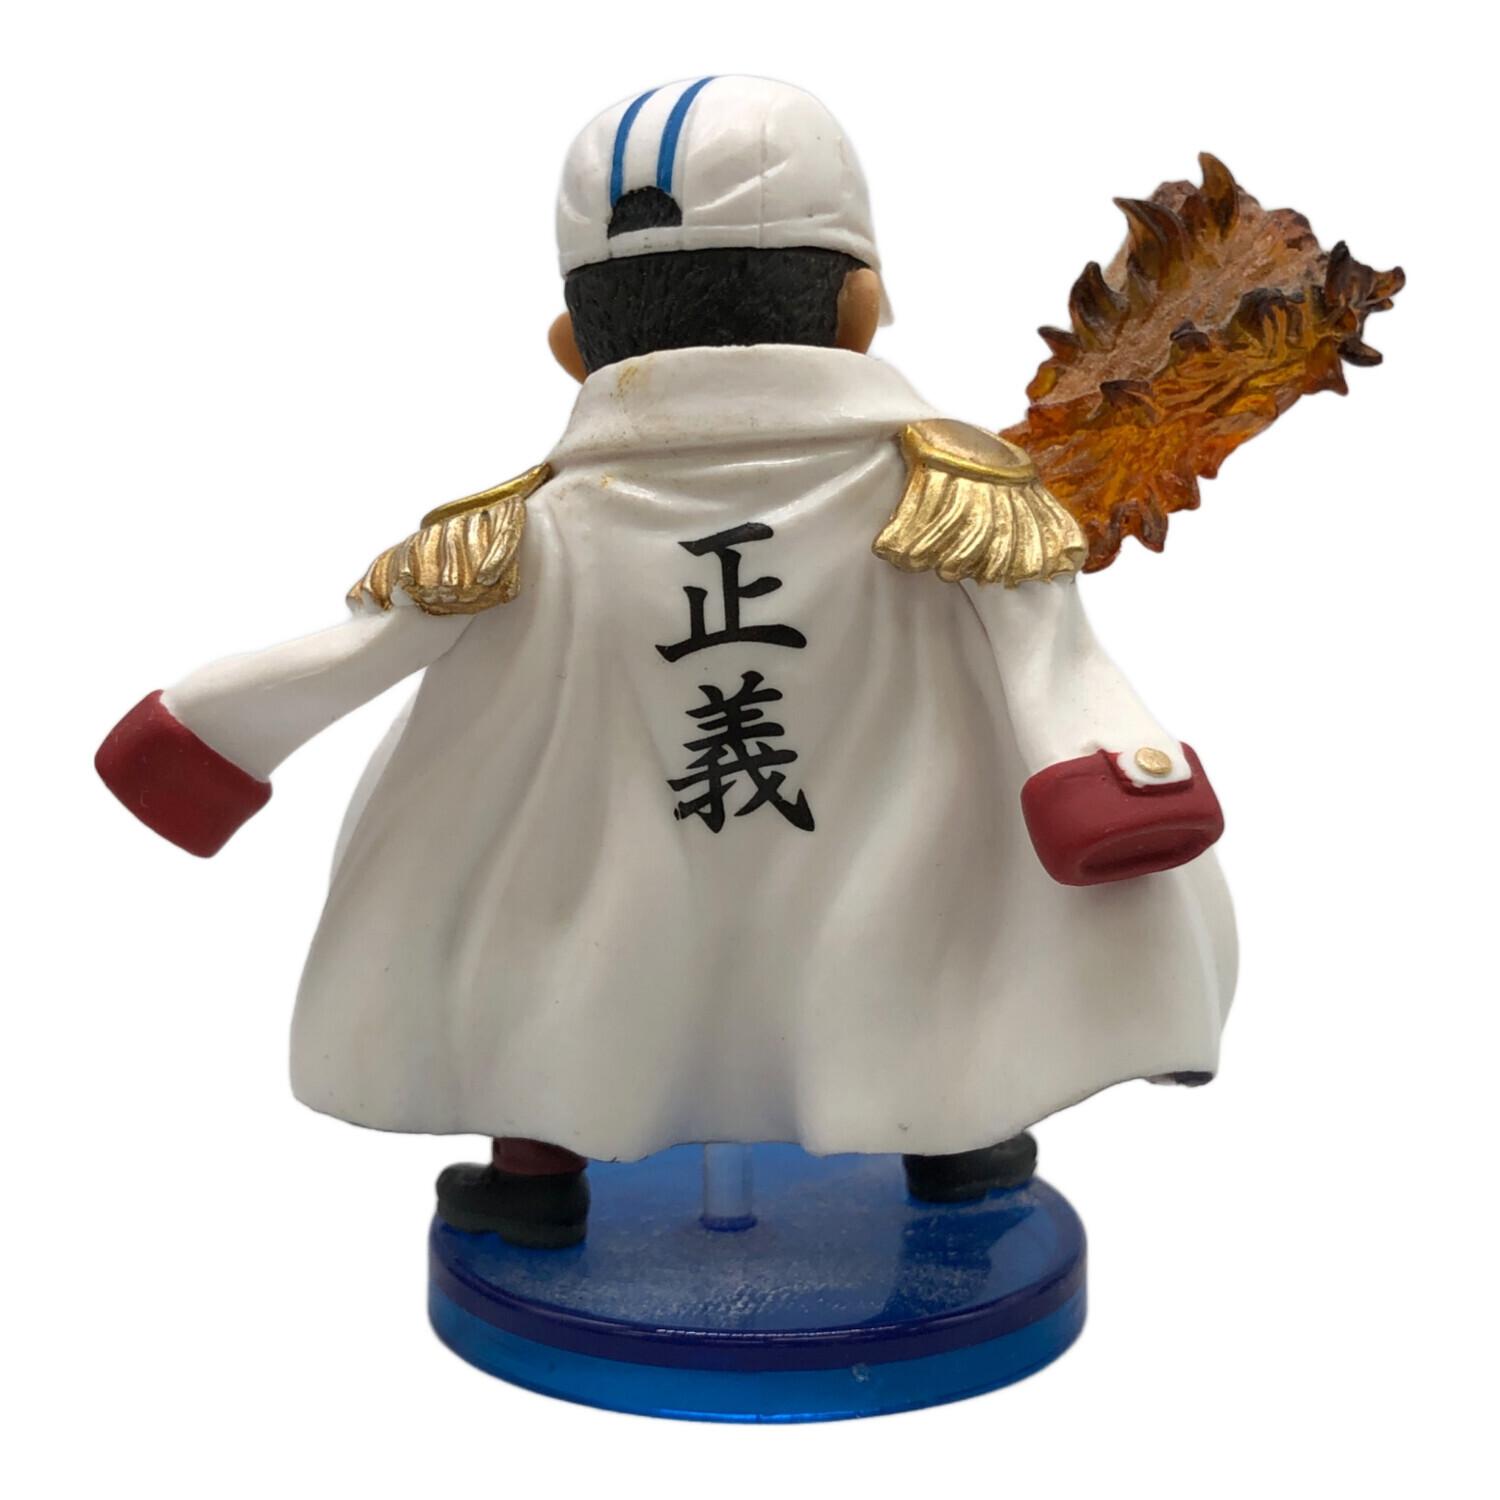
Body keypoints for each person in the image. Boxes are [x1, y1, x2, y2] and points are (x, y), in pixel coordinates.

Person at [97, 76, 1234, 1249]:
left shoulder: (521, 534)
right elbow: (1049, 659)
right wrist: (1114, 774)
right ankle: (951, 1139)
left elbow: (359, 651)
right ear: (860, 307)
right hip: (883, 846)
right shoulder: (957, 498)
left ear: (570, 343)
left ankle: (539, 1167)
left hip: (614, 860)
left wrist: (203, 737)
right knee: (918, 935)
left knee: (565, 958)